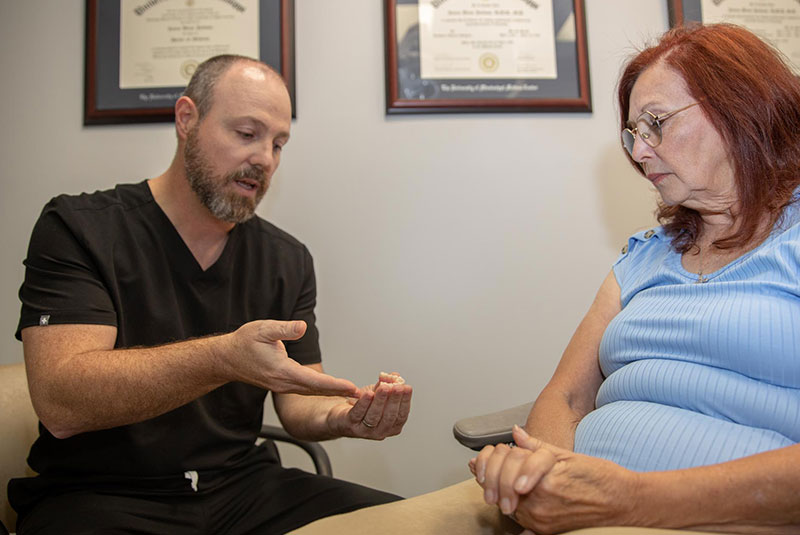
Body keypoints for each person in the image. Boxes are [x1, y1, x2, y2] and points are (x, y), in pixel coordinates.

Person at [289, 23, 800, 535]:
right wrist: (537, 476)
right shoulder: (644, 260)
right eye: (633, 135)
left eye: (656, 123)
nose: (640, 154)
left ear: (740, 106)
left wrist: (629, 499)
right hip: (574, 504)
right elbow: (567, 398)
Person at [11, 54, 413, 534]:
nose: (265, 158)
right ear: (187, 119)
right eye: (247, 134)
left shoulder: (286, 258)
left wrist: (345, 415)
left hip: (240, 488)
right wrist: (223, 358)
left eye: (278, 144)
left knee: (407, 522)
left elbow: (297, 400)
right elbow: (62, 404)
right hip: (102, 494)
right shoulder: (80, 229)